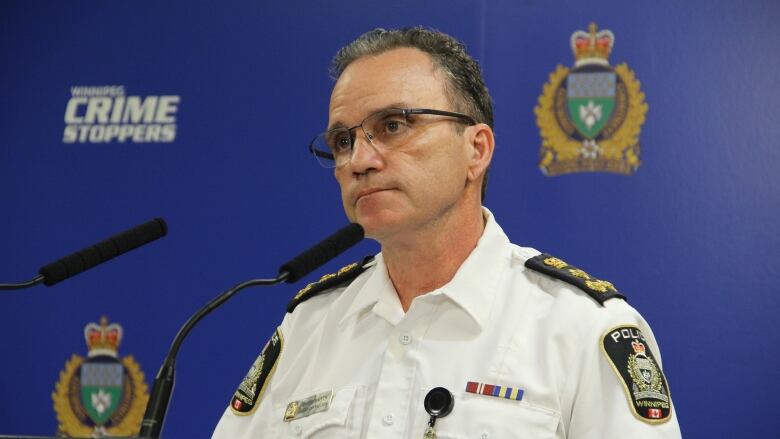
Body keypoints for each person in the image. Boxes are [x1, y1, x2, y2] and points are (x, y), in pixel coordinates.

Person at [212, 27, 681, 438]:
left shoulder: (582, 328)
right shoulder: (309, 326)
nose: (359, 161)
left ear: (476, 150)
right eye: (343, 140)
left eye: (393, 125)